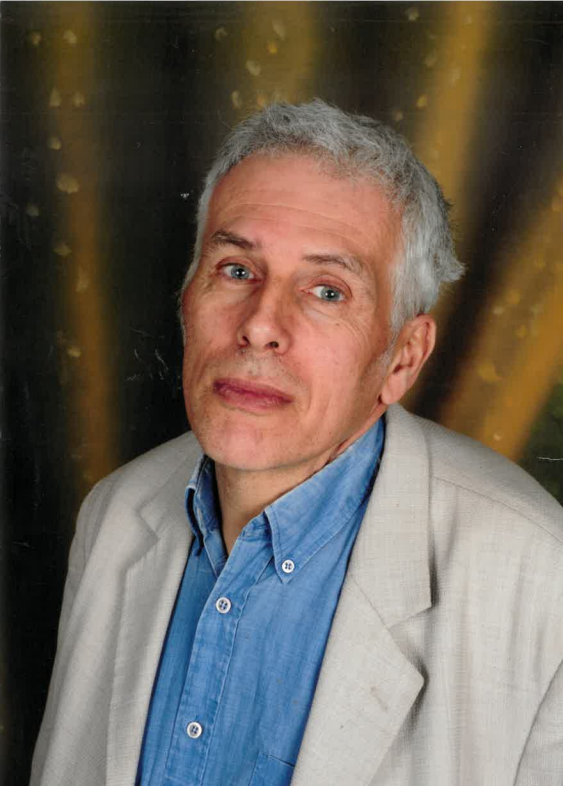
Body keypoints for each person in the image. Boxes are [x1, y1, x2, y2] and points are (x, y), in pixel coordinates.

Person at [31, 100, 561, 786]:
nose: (259, 326)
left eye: (327, 291)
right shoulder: (114, 513)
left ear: (403, 357)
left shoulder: (543, 580)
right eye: (236, 270)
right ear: (186, 298)